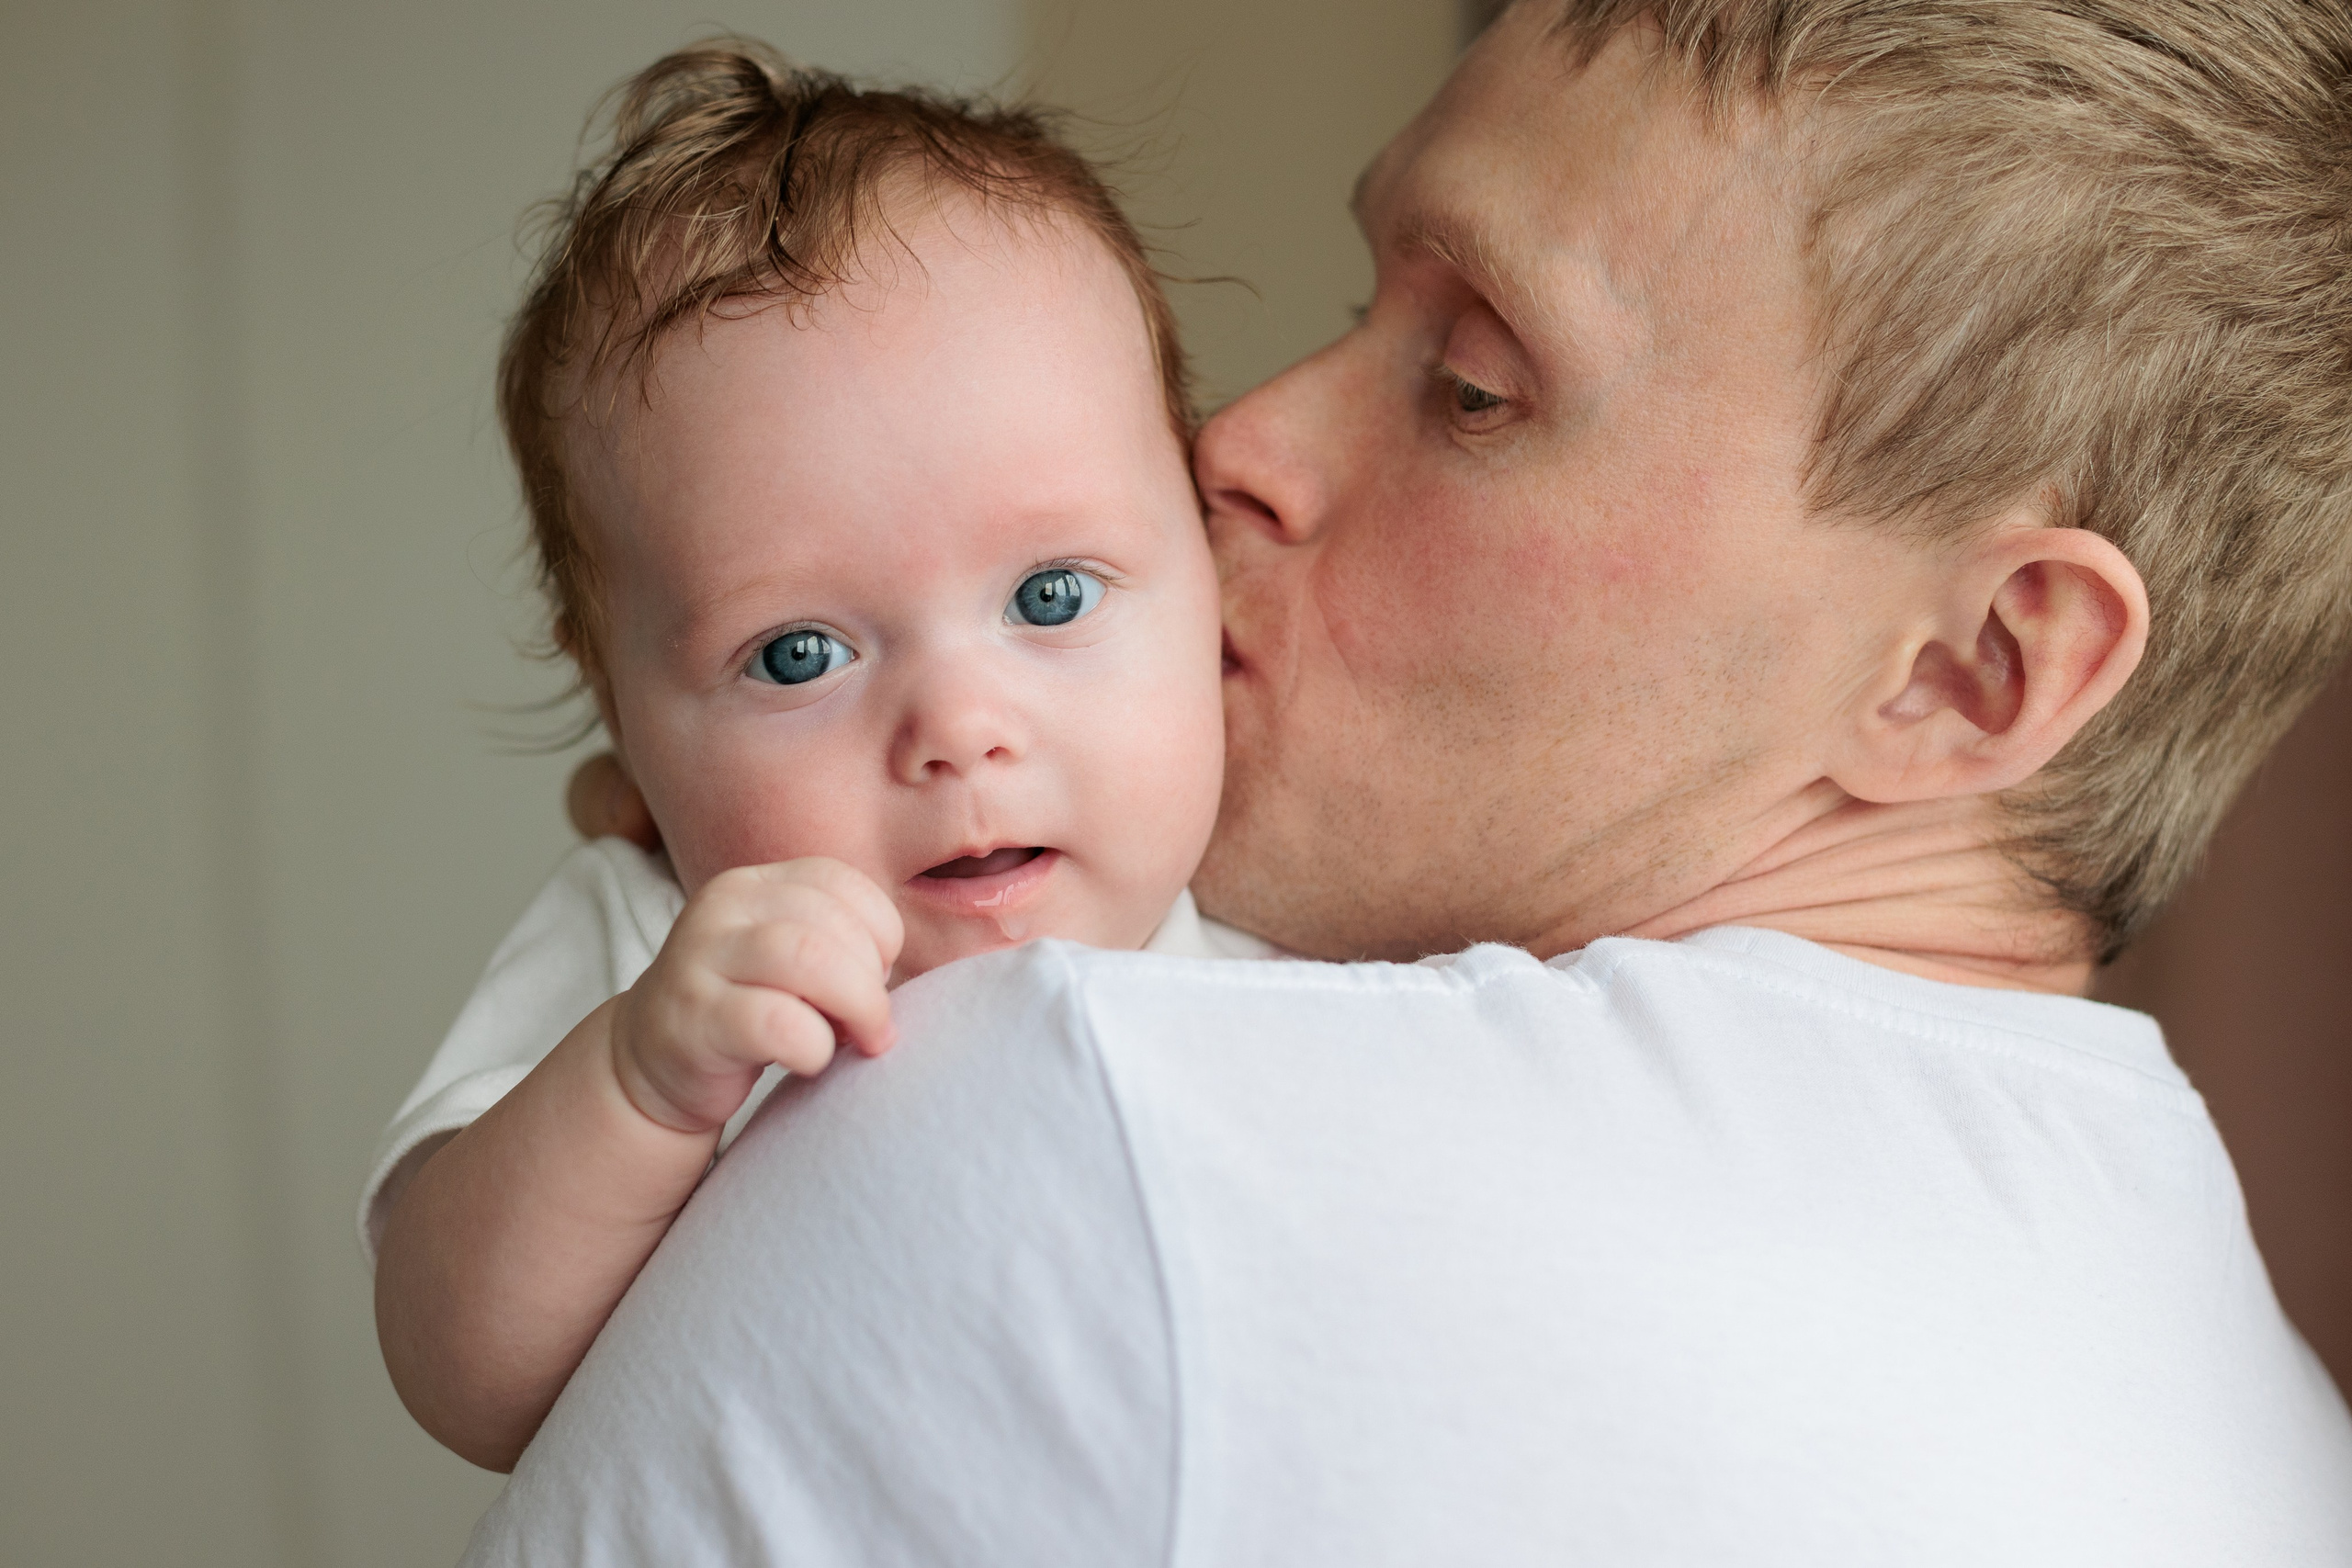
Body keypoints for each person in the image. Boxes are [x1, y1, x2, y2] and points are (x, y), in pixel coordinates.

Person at [462, 1, 2352, 1562]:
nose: (1230, 446)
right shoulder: (2278, 1453)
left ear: (1969, 668)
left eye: (1469, 383)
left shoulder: (1074, 1113)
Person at [363, 47, 1278, 1473]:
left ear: (1210, 562)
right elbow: (459, 1369)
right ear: (615, 700)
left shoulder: (1285, 928)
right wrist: (641, 1084)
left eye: (1051, 597)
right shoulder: (658, 942)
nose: (961, 732)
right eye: (799, 655)